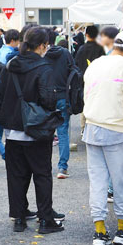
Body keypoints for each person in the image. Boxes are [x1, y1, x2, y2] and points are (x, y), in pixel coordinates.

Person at [0, 27, 64, 234]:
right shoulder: (44, 68)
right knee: (42, 175)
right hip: (37, 132)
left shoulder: (11, 66)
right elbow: (49, 100)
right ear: (41, 46)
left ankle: (19, 219)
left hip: (13, 133)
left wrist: (6, 119)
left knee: (16, 176)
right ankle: (45, 220)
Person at [81, 29, 123, 245]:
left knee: (98, 182)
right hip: (116, 129)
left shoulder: (95, 63)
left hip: (92, 128)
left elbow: (87, 95)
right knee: (121, 181)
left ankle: (99, 231)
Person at [44, 32, 75, 179]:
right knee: (62, 133)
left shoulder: (43, 55)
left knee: (46, 133)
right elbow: (75, 72)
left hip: (47, 98)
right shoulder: (66, 54)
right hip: (63, 96)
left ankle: (45, 166)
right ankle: (62, 168)